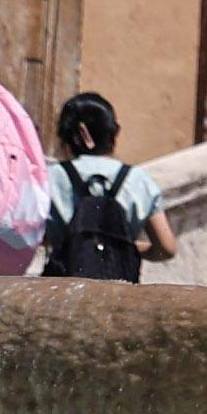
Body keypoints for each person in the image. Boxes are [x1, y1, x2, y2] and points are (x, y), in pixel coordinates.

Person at [40, 93, 176, 280]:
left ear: (75, 134)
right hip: (118, 293)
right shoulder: (139, 180)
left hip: (64, 290)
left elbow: (26, 236)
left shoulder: (49, 177)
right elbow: (166, 248)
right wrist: (121, 245)